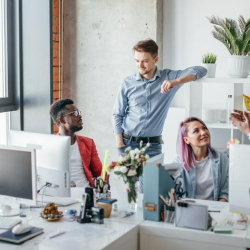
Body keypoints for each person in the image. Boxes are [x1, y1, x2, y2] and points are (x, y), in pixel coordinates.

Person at [112, 39, 207, 157]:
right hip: (127, 144)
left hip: (153, 147)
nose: (140, 65)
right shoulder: (127, 83)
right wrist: (119, 141)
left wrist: (177, 81)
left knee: (154, 176)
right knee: (130, 177)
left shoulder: (168, 77)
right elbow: (117, 114)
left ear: (156, 59)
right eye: (137, 61)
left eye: (145, 61)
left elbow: (201, 70)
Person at [49, 98, 102, 188]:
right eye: (74, 113)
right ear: (62, 120)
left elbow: (99, 172)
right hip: (61, 195)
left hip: (87, 194)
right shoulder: (50, 145)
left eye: (79, 112)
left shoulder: (88, 143)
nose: (80, 116)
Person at [173, 117, 229, 201]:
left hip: (215, 210)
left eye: (204, 128)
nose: (203, 132)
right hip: (189, 210)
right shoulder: (178, 163)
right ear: (186, 140)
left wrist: (216, 211)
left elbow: (225, 192)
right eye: (196, 131)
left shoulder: (222, 159)